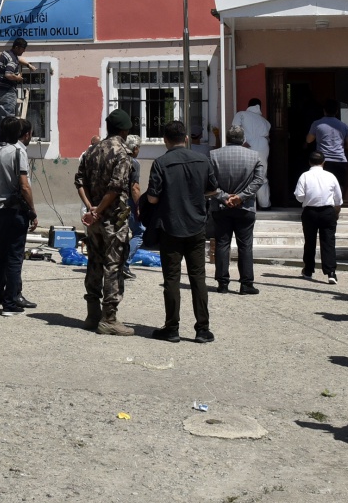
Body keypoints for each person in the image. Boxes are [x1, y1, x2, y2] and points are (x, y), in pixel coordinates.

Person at [144, 119, 220, 342]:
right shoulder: (203, 160)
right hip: (196, 226)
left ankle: (172, 327)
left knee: (172, 279)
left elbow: (152, 197)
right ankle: (202, 329)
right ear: (186, 138)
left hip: (170, 227)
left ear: (165, 140)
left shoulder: (160, 163)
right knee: (198, 278)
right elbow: (212, 190)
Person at [74, 109, 141, 336]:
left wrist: (90, 208)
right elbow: (116, 188)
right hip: (113, 219)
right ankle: (108, 319)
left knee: (94, 262)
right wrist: (99, 210)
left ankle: (92, 314)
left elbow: (79, 180)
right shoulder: (123, 153)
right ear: (124, 130)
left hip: (94, 220)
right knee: (113, 266)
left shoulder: (92, 150)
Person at [0, 117, 37, 315]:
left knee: (1, 257)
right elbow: (24, 185)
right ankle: (10, 304)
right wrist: (32, 211)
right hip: (15, 209)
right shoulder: (17, 151)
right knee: (15, 258)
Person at [209, 124, 265, 295]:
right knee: (245, 245)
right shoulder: (255, 156)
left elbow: (209, 181)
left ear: (227, 138)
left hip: (221, 206)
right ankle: (246, 283)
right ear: (243, 139)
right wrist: (241, 196)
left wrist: (225, 197)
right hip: (245, 207)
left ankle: (223, 283)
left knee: (222, 244)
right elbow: (259, 180)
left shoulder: (213, 155)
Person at [294, 149, 343, 284]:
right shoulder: (331, 176)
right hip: (328, 211)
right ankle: (331, 272)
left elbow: (299, 196)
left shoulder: (304, 176)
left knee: (310, 241)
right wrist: (336, 211)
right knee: (328, 241)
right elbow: (338, 197)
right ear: (323, 162)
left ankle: (309, 270)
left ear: (310, 162)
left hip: (310, 211)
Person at [231, 99, 272, 207]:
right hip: (263, 146)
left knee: (246, 175)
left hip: (248, 145)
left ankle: (246, 204)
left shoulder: (241, 114)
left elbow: (235, 128)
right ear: (259, 106)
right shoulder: (265, 121)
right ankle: (265, 204)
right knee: (262, 175)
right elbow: (267, 137)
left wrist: (243, 141)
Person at [0, 37, 29, 140]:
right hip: (5, 92)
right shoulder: (12, 60)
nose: (24, 51)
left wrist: (28, 64)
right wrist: (18, 78)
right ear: (17, 47)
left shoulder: (6, 53)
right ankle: (6, 142)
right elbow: (8, 74)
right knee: (8, 119)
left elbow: (17, 60)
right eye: (23, 49)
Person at [306, 98, 348, 189]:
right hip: (340, 161)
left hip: (323, 161)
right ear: (336, 111)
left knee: (323, 188)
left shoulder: (317, 124)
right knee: (338, 189)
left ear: (324, 110)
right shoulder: (343, 125)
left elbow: (309, 140)